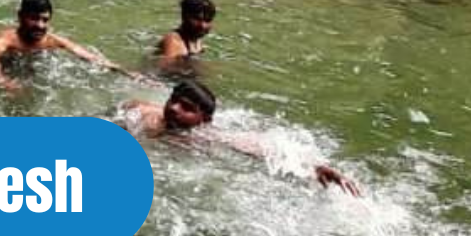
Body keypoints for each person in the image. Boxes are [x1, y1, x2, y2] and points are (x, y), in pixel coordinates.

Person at [117, 81, 362, 196]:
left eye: (187, 108)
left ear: (204, 120)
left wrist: (313, 168)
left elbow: (262, 147)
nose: (174, 109)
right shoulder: (145, 114)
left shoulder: (204, 136)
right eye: (174, 100)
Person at [0, 0, 145, 91]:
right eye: (34, 19)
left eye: (45, 20)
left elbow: (90, 57)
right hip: (5, 65)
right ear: (20, 16)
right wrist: (3, 81)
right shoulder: (4, 39)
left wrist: (126, 72)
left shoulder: (52, 41)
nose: (40, 25)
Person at [156, 0, 216, 71]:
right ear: (184, 16)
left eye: (207, 20)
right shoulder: (174, 41)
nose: (203, 25)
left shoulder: (196, 37)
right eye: (197, 19)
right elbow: (163, 68)